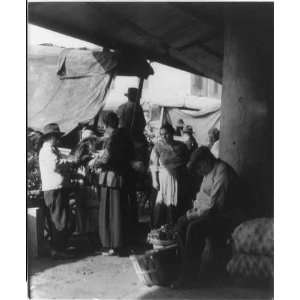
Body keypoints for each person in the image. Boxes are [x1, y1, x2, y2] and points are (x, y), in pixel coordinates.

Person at [172, 146, 243, 288]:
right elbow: (201, 198)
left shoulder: (221, 171)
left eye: (199, 168)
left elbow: (215, 205)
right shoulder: (208, 173)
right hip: (211, 212)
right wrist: (190, 213)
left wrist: (193, 215)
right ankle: (184, 269)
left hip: (226, 215)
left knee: (194, 228)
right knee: (180, 224)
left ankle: (188, 277)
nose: (199, 172)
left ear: (205, 162)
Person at [90, 112, 135, 255]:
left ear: (105, 124)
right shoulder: (125, 136)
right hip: (121, 177)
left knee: (110, 212)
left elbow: (106, 159)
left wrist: (94, 162)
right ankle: (119, 243)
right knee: (119, 211)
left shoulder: (114, 138)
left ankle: (112, 245)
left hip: (111, 179)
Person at [39, 123, 77, 259]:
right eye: (56, 136)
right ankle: (57, 250)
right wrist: (70, 162)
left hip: (57, 188)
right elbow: (56, 165)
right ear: (50, 137)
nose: (58, 139)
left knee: (62, 218)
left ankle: (60, 247)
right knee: (58, 219)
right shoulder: (47, 150)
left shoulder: (52, 149)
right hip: (53, 189)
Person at [150, 123, 191, 228]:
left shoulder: (181, 146)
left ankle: (174, 230)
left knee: (176, 205)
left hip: (179, 179)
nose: (164, 136)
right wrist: (154, 180)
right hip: (164, 179)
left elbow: (188, 163)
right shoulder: (158, 147)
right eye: (162, 134)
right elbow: (153, 165)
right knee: (162, 205)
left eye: (166, 134)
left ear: (172, 133)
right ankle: (159, 230)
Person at [117, 87, 148, 225]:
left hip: (123, 143)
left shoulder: (120, 108)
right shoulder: (137, 108)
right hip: (135, 144)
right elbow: (142, 124)